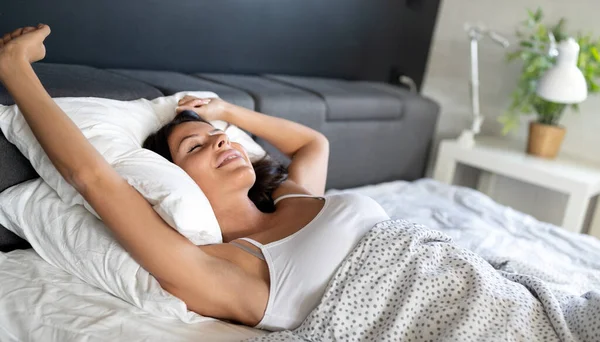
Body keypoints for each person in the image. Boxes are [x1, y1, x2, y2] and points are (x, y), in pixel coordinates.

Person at [0, 25, 389, 331]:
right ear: (175, 176)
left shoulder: (288, 196)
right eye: (194, 147)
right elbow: (91, 177)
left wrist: (228, 112)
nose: (220, 139)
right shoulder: (225, 271)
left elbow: (312, 144)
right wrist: (16, 69)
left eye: (215, 135)